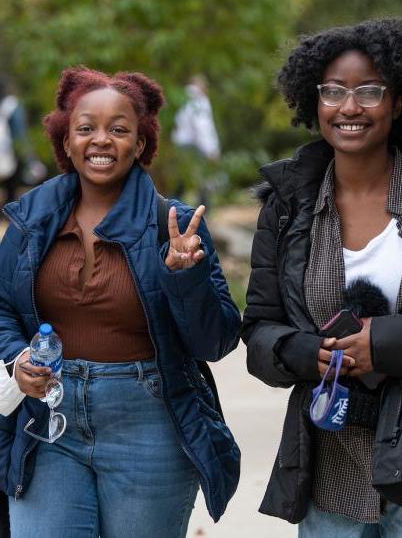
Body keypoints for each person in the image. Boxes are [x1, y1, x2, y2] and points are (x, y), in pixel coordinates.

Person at [242, 18, 402, 537]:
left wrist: (381, 344)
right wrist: (299, 352)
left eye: (369, 91)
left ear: (399, 102)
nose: (350, 107)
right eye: (333, 91)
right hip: (326, 463)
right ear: (314, 102)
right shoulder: (288, 206)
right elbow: (260, 327)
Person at [0, 66, 241, 538]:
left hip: (149, 424)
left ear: (141, 143)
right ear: (65, 142)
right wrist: (16, 358)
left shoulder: (176, 225)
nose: (101, 140)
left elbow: (216, 340)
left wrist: (184, 275)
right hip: (50, 418)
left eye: (119, 129)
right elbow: (1, 308)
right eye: (86, 128)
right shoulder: (30, 220)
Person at [171, 75, 221, 207]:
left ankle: (170, 209)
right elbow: (203, 127)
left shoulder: (181, 98)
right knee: (202, 181)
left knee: (181, 180)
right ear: (202, 85)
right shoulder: (199, 99)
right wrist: (211, 150)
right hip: (195, 146)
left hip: (179, 144)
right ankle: (203, 213)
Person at [0, 75, 47, 207]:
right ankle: (8, 210)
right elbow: (20, 134)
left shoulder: (9, 105)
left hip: (8, 152)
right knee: (11, 185)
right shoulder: (12, 105)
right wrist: (30, 158)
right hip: (11, 151)